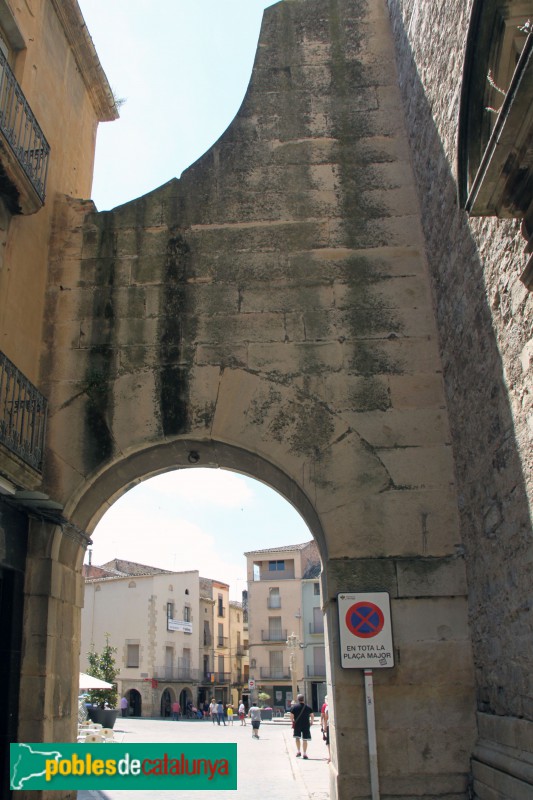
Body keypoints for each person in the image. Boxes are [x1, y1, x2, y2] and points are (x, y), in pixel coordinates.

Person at [291, 693, 314, 759]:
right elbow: (312, 715)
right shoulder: (308, 707)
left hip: (297, 724)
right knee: (305, 739)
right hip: (306, 724)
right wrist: (311, 722)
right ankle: (304, 753)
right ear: (303, 699)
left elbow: (291, 716)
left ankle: (298, 751)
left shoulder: (294, 707)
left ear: (298, 699)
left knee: (297, 738)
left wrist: (292, 721)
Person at [320, 696, 330, 763]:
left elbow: (324, 716)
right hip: (329, 725)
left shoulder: (325, 706)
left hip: (329, 725)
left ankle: (330, 756)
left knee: (328, 741)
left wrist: (324, 726)